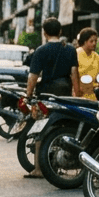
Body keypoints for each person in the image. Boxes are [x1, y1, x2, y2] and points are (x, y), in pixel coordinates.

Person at [22, 18, 81, 178]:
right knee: (65, 126)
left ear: (45, 32)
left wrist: (28, 95)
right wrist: (77, 94)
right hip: (64, 94)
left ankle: (39, 169)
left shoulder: (40, 50)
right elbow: (74, 74)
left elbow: (33, 77)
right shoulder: (70, 49)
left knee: (40, 129)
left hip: (46, 95)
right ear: (60, 31)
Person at [76, 28, 99, 101]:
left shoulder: (96, 56)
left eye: (95, 41)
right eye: (91, 41)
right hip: (79, 94)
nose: (94, 43)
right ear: (84, 41)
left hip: (94, 94)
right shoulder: (76, 54)